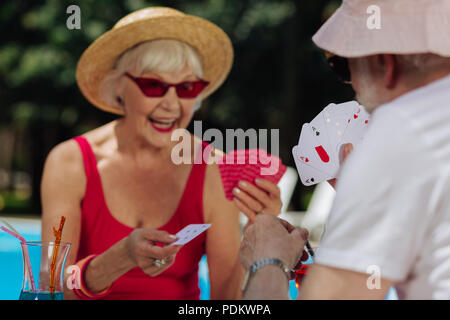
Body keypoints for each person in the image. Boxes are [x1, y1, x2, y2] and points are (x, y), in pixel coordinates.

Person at [40, 7, 282, 300]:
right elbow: (50, 286)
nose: (172, 104)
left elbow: (227, 301)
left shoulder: (212, 168)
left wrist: (258, 234)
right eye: (153, 85)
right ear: (118, 87)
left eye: (187, 88)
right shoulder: (69, 162)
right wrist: (119, 259)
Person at [239, 0, 450, 300]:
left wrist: (267, 261)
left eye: (343, 65)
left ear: (384, 63)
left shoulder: (397, 136)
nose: (351, 86)